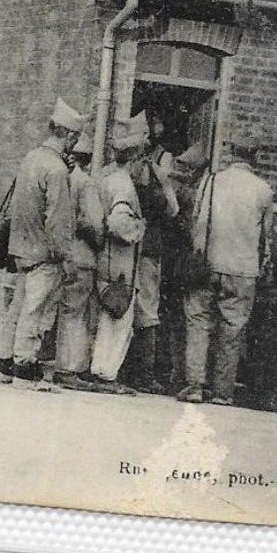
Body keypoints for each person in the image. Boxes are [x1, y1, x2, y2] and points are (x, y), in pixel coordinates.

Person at [179, 137, 275, 406]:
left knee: (198, 322)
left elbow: (196, 223)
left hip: (207, 263)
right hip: (243, 270)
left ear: (232, 154)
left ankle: (195, 385)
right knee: (233, 329)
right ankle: (222, 392)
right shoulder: (263, 191)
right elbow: (266, 239)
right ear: (254, 158)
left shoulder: (210, 182)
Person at [2, 99, 83, 386]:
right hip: (44, 253)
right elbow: (58, 221)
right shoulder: (57, 170)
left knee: (19, 305)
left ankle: (6, 360)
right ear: (69, 135)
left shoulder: (32, 158)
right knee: (36, 311)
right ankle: (24, 366)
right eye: (76, 138)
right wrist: (67, 258)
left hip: (22, 247)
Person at [86, 114, 150, 394]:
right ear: (135, 157)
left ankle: (99, 370)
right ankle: (106, 375)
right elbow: (118, 222)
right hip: (119, 264)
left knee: (102, 318)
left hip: (104, 259)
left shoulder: (105, 175)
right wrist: (140, 228)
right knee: (116, 321)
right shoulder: (124, 184)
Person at [121, 116, 179, 393]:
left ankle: (123, 369)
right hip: (146, 247)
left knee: (124, 303)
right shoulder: (156, 172)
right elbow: (173, 209)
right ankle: (142, 373)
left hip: (126, 246)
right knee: (146, 308)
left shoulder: (119, 170)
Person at [52, 132, 105, 391]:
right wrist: (99, 239)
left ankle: (63, 364)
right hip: (83, 257)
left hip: (63, 254)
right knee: (77, 314)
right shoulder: (86, 183)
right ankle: (69, 368)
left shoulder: (62, 179)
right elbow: (95, 223)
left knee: (66, 311)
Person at [162, 141, 210, 390]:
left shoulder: (183, 188)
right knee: (178, 320)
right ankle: (176, 371)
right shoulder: (190, 191)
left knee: (176, 319)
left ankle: (176, 371)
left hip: (176, 263)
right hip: (178, 263)